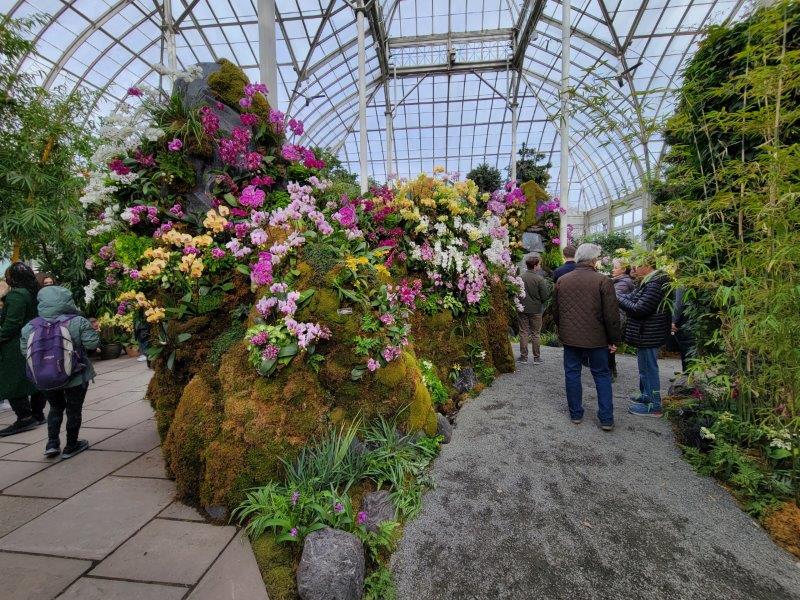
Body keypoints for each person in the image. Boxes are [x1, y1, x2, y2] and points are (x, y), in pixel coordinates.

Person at [20, 286, 100, 458]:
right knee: (73, 410)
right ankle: (71, 445)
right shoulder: (77, 321)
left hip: (45, 378)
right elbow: (92, 344)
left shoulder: (30, 327)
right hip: (76, 376)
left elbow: (24, 351)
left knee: (55, 408)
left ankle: (52, 444)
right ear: (67, 301)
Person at [553, 243, 621, 431]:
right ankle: (606, 418)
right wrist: (614, 339)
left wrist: (563, 330)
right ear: (593, 260)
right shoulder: (603, 281)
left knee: (572, 373)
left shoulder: (562, 280)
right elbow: (611, 315)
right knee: (602, 375)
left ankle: (576, 414)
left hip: (570, 338)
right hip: (597, 339)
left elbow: (556, 312)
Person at [618, 257, 672, 417]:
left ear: (647, 266)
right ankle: (646, 395)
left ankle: (654, 405)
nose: (633, 269)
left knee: (649, 368)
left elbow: (639, 308)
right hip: (646, 332)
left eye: (636, 266)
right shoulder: (649, 281)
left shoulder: (655, 283)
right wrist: (619, 296)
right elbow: (633, 298)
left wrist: (615, 298)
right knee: (644, 367)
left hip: (650, 332)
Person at [0, 263, 45, 436]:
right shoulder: (35, 292)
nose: (6, 278)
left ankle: (25, 417)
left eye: (8, 275)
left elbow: (12, 324)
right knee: (35, 378)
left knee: (10, 380)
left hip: (15, 344)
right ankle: (38, 414)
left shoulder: (17, 295)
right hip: (34, 339)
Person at [517, 255, 551, 365]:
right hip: (536, 309)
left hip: (522, 309)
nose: (540, 266)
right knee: (536, 333)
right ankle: (537, 358)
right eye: (539, 264)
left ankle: (523, 357)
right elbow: (545, 296)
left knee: (523, 332)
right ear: (535, 266)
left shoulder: (520, 277)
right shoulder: (539, 279)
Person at [609, 258, 636, 379]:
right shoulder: (620, 280)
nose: (613, 269)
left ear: (624, 269)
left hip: (618, 317)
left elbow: (612, 298)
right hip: (618, 316)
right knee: (611, 345)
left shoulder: (623, 283)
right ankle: (611, 369)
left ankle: (609, 372)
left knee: (610, 345)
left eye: (615, 267)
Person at [671, 287, 694, 373]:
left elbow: (679, 303)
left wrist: (673, 321)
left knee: (685, 348)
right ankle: (687, 375)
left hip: (684, 321)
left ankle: (687, 376)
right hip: (692, 320)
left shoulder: (681, 284)